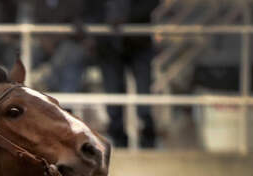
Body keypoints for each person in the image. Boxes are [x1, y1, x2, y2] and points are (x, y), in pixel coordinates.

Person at [88, 0, 159, 148]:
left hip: (138, 39)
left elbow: (152, 3)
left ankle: (148, 138)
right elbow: (90, 6)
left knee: (144, 94)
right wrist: (104, 22)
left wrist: (125, 18)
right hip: (108, 43)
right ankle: (119, 140)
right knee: (113, 96)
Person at [32, 0, 89, 94]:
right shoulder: (37, 3)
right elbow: (34, 23)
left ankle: (49, 84)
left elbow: (77, 26)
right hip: (42, 42)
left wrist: (56, 39)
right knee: (25, 52)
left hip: (67, 42)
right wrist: (44, 40)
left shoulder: (73, 3)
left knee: (66, 56)